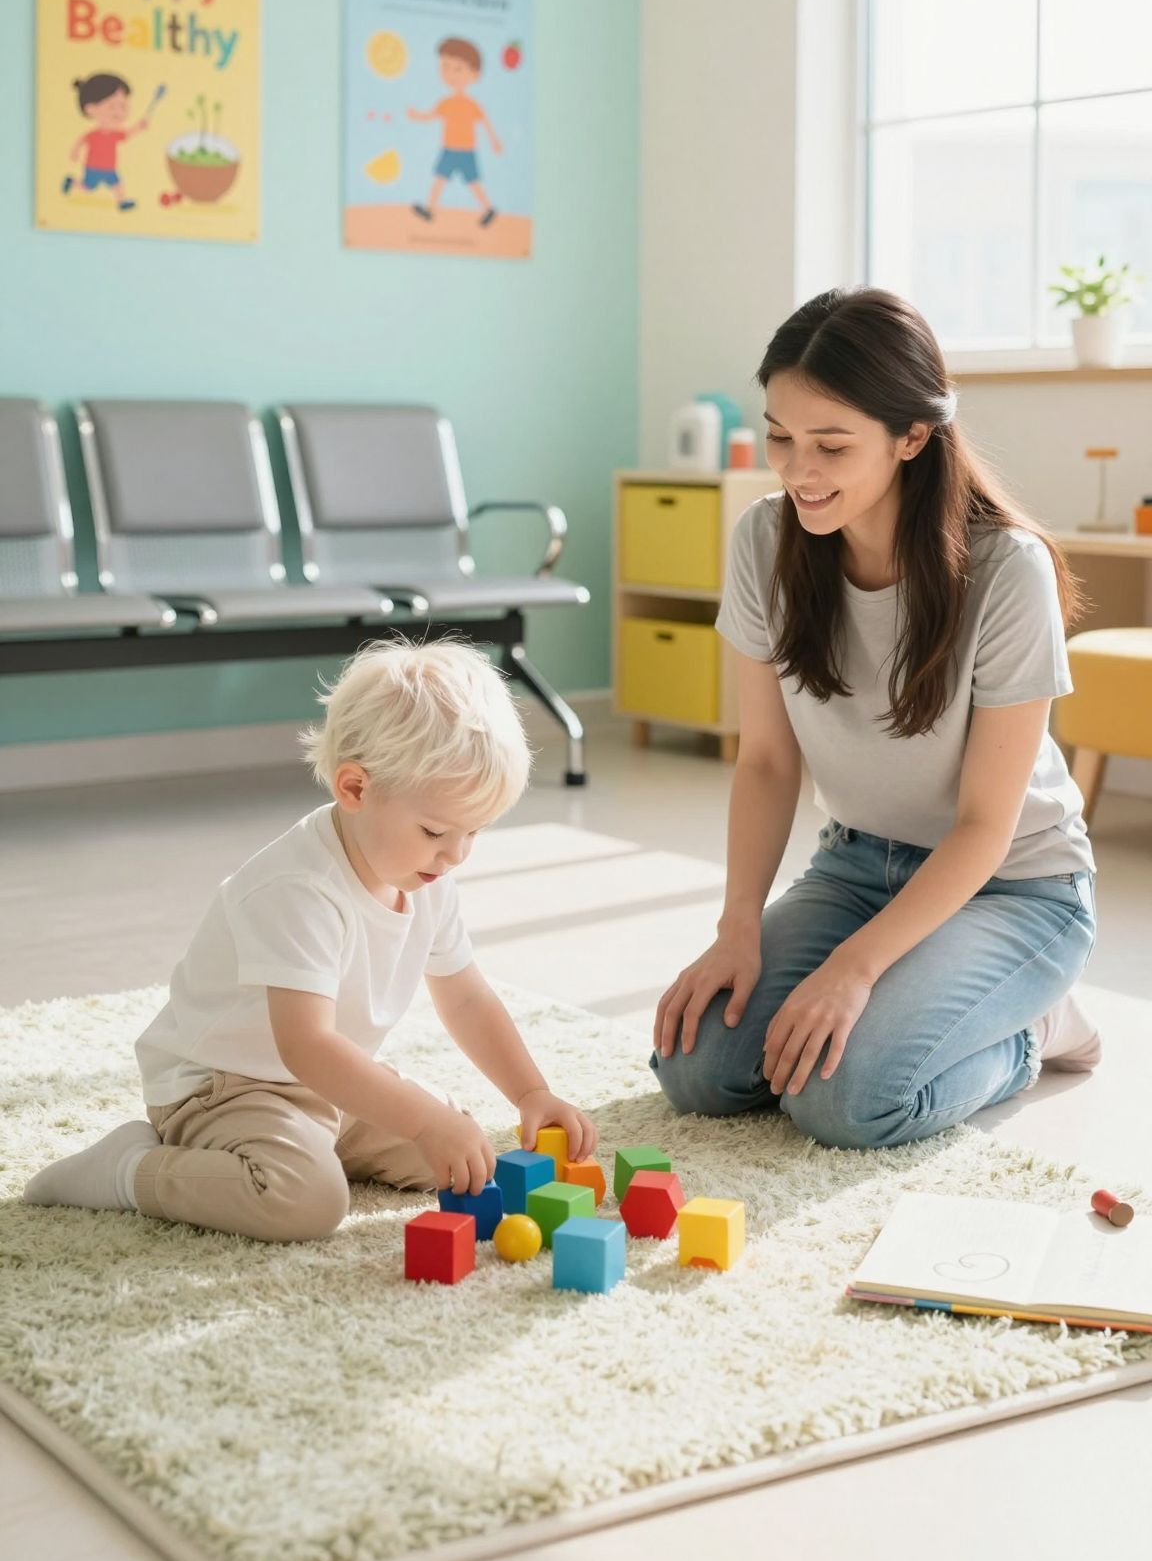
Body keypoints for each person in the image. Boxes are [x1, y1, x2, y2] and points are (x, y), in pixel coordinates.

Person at [651, 288, 1098, 1151]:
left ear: (911, 436)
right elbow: (769, 764)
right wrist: (736, 928)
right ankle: (928, 996)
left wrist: (854, 971)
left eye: (830, 445)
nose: (797, 469)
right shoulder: (762, 542)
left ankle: (1032, 1029)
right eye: (780, 436)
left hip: (1015, 887)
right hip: (859, 866)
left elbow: (983, 827)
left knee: (846, 1100)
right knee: (699, 1068)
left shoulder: (1007, 571)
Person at [24, 643, 596, 1239]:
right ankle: (129, 1167)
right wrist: (422, 1119)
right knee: (306, 1202)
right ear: (354, 789)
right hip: (223, 1087)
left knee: (459, 1153)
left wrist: (531, 1092)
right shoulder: (297, 889)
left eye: (473, 832)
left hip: (326, 1085)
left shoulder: (424, 874)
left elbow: (467, 997)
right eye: (434, 830)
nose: (454, 855)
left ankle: (321, 1138)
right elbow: (307, 1047)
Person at [407, 36, 502, 226]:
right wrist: (416, 115)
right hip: (449, 149)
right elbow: (431, 115)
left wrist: (494, 141)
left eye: (458, 68)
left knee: (473, 183)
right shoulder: (446, 103)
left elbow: (485, 123)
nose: (451, 74)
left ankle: (488, 209)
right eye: (445, 67)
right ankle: (430, 210)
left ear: (474, 74)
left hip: (466, 150)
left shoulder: (472, 105)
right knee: (439, 179)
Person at [62, 72, 148, 211]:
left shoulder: (115, 134)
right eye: (112, 106)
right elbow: (81, 141)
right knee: (87, 187)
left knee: (117, 185)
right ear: (91, 109)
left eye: (123, 106)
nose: (119, 112)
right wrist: (75, 152)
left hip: (109, 168)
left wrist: (139, 127)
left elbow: (127, 134)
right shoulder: (92, 135)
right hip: (93, 168)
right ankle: (72, 183)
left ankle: (122, 201)